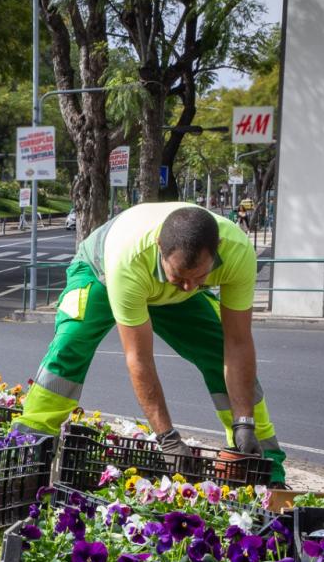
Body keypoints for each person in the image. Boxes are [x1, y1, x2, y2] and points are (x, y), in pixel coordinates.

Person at [16, 201, 286, 484]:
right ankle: (29, 440)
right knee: (72, 344)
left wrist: (244, 421)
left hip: (160, 286)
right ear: (159, 246)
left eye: (200, 278)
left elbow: (238, 342)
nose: (189, 287)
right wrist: (167, 438)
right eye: (180, 277)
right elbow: (139, 358)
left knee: (218, 351)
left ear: (218, 248)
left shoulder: (238, 252)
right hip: (101, 274)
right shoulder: (128, 260)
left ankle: (264, 462)